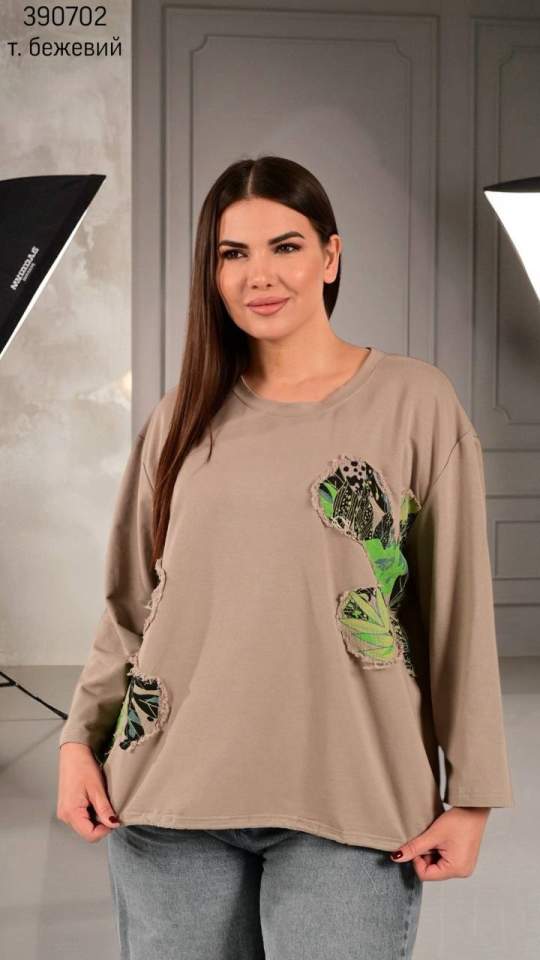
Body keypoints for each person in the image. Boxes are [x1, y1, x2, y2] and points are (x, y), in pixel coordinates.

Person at [57, 155, 514, 959]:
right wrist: (76, 743)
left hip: (352, 799)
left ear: (330, 257)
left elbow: (459, 615)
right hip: (167, 800)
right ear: (212, 273)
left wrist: (472, 794)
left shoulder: (415, 402)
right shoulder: (179, 417)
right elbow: (131, 607)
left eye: (286, 246)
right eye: (232, 253)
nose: (258, 275)